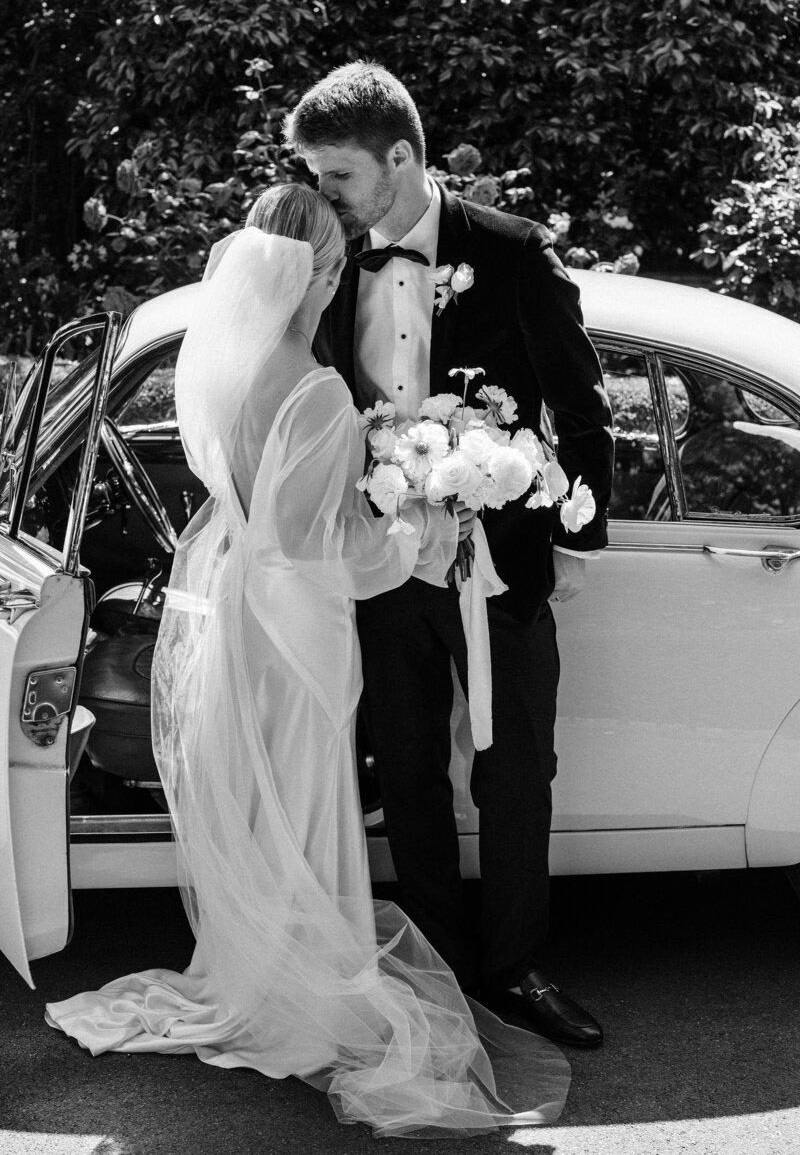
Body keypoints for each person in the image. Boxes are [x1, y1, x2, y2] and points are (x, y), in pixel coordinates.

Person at [45, 184, 571, 1136]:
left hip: (245, 605)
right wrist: (412, 526)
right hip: (300, 622)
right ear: (305, 272)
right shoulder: (316, 387)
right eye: (330, 266)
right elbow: (319, 546)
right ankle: (292, 991)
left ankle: (258, 966)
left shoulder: (235, 366)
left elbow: (261, 521)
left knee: (268, 796)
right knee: (302, 789)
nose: (338, 281)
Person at [284, 62, 615, 1047]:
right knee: (407, 770)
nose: (322, 194)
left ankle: (513, 966)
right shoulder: (329, 259)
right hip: (380, 572)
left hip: (499, 559)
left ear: (398, 157)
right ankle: (434, 967)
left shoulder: (511, 253)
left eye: (334, 174)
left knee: (515, 771)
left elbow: (583, 406)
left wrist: (573, 540)